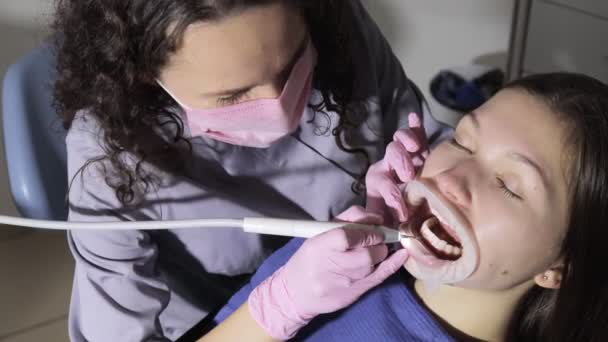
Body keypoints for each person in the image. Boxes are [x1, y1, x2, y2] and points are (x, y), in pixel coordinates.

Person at [52, 0, 450, 340]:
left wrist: (418, 187)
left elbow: (430, 141)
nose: (278, 103)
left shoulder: (341, 27)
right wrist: (275, 309)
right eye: (234, 95)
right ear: (142, 75)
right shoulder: (107, 158)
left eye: (293, 64)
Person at [200, 73, 608, 341]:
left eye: (508, 186)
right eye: (462, 141)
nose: (450, 177)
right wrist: (280, 307)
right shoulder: (327, 267)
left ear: (559, 268)